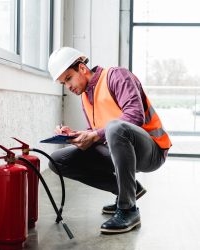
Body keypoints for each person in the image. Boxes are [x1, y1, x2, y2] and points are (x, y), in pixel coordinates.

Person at [47, 47, 172, 234]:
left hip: (152, 150)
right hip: (120, 149)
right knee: (57, 160)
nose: (68, 86)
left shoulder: (116, 76)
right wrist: (76, 135)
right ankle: (129, 190)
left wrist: (96, 134)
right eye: (63, 83)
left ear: (82, 68)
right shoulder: (85, 98)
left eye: (68, 79)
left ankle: (128, 209)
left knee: (115, 127)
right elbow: (99, 132)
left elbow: (134, 115)